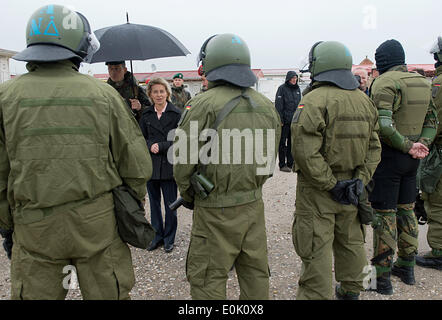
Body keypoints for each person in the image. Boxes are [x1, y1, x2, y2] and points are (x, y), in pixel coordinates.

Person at [0, 4, 153, 300]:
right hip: (97, 223)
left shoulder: (6, 97)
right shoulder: (103, 95)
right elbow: (135, 164)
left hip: (34, 228)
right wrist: (130, 205)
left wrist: (7, 225)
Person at [173, 33, 281, 300]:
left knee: (209, 277)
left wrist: (189, 195)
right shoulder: (266, 106)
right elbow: (269, 161)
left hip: (214, 209)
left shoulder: (199, 105)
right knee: (255, 274)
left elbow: (183, 163)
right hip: (253, 205)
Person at [291, 41, 381, 300]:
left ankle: (315, 295)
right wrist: (360, 181)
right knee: (352, 240)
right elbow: (375, 147)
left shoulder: (312, 101)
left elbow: (304, 151)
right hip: (352, 188)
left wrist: (331, 184)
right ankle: (352, 290)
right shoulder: (364, 101)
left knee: (316, 248)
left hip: (319, 190)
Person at [368, 39, 437, 294]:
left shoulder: (384, 82)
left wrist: (406, 145)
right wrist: (421, 144)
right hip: (413, 161)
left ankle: (382, 278)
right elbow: (433, 121)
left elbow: (384, 126)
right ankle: (407, 267)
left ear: (382, 60)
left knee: (385, 216)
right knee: (407, 211)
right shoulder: (422, 81)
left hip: (389, 158)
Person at [139, 78, 181, 253]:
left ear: (167, 93)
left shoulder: (176, 113)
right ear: (150, 94)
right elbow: (141, 137)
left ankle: (169, 238)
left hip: (169, 165)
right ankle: (157, 236)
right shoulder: (146, 114)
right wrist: (150, 145)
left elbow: (179, 138)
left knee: (170, 205)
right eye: (155, 92)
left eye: (161, 91)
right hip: (152, 165)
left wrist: (162, 146)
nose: (158, 95)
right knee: (154, 204)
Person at [416, 36, 442, 270]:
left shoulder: (439, 85)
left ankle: (439, 251)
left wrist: (420, 144)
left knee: (437, 201)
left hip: (440, 152)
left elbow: (434, 121)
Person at [275, 71, 301, 172]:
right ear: (288, 79)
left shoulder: (297, 89)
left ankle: (290, 163)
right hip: (284, 121)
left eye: (295, 78)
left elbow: (300, 105)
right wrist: (280, 119)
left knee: (292, 142)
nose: (294, 80)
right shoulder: (282, 89)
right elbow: (278, 105)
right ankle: (282, 164)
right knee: (282, 142)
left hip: (294, 121)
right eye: (292, 78)